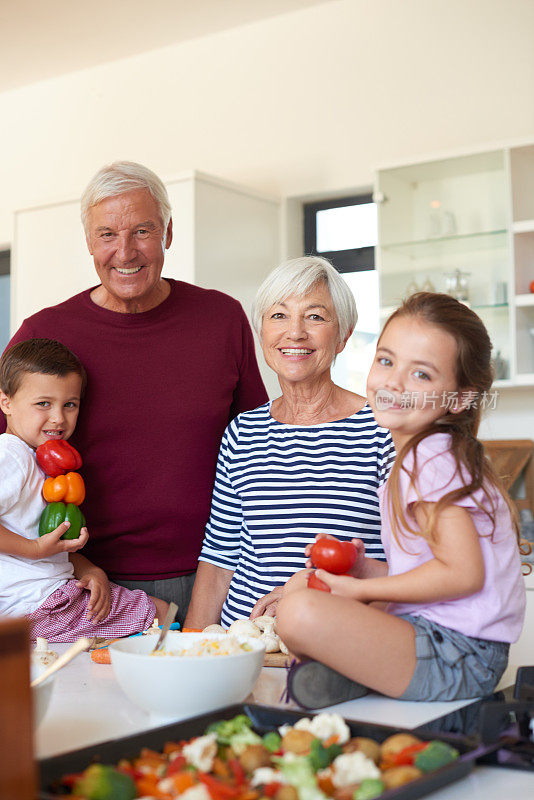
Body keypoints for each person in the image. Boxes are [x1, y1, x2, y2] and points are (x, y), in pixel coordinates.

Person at [3, 161, 267, 627]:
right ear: (88, 241)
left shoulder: (221, 319)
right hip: (84, 586)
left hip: (216, 576)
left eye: (142, 230)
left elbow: (260, 451)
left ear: (167, 232)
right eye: (106, 234)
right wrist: (69, 564)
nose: (124, 251)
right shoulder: (43, 334)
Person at [276, 292, 526, 706]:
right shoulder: (421, 454)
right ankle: (356, 678)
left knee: (300, 610)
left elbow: (463, 575)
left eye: (422, 375)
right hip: (444, 642)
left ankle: (358, 676)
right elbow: (430, 569)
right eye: (386, 361)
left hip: (458, 655)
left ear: (460, 398)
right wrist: (364, 571)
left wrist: (359, 592)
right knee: (304, 586)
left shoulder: (431, 458)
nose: (393, 383)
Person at [184, 256, 394, 629]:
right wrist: (194, 650)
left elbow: (414, 566)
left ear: (344, 335)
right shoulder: (242, 433)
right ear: (261, 332)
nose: (294, 332)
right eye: (278, 316)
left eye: (315, 316)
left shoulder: (383, 429)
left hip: (341, 643)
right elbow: (219, 562)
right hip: (243, 643)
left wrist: (309, 588)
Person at [0, 338, 168, 641]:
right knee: (162, 615)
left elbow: (46, 547)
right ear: (6, 402)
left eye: (70, 405)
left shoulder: (41, 459)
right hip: (38, 607)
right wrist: (35, 550)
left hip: (48, 599)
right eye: (43, 404)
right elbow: (37, 549)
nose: (58, 418)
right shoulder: (10, 454)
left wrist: (91, 570)